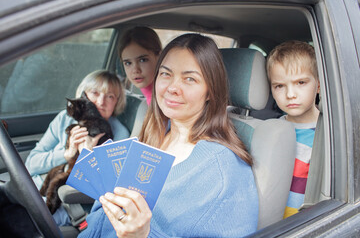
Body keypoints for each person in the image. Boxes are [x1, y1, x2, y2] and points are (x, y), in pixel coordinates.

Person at [80, 34, 258, 238]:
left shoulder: (224, 170)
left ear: (210, 91)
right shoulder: (152, 134)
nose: (172, 88)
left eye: (189, 79)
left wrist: (142, 235)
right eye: (165, 74)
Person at [25, 70, 130, 226]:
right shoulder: (64, 119)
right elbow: (30, 164)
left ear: (116, 103)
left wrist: (87, 155)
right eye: (95, 93)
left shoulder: (119, 133)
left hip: (66, 203)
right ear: (83, 95)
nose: (101, 102)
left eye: (110, 96)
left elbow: (107, 187)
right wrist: (66, 155)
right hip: (34, 187)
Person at [266, 40, 320, 219]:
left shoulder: (327, 136)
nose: (290, 94)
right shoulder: (272, 129)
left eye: (301, 82)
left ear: (318, 85)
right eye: (279, 86)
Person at [118, 26, 162, 105]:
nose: (135, 70)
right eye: (128, 63)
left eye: (143, 60)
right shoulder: (151, 93)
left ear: (159, 56)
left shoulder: (165, 96)